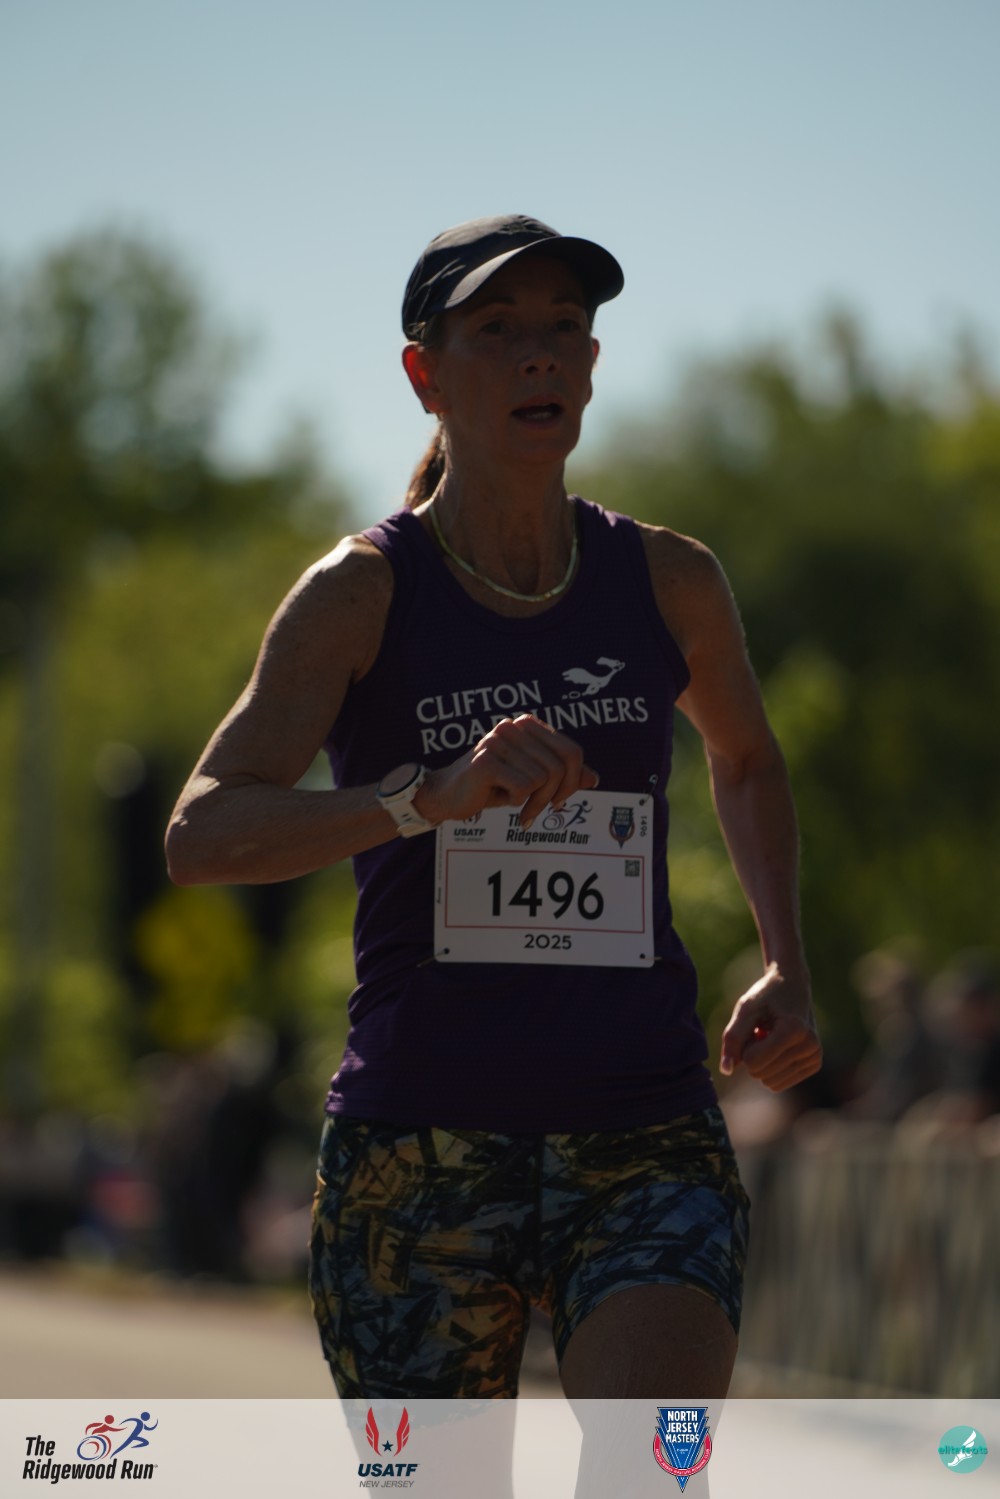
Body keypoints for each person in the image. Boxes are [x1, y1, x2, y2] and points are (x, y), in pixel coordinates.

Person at [165, 214, 822, 1405]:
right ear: (423, 373)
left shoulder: (667, 578)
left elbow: (746, 760)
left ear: (592, 365)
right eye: (498, 330)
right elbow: (200, 834)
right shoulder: (362, 591)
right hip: (418, 1144)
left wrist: (784, 957)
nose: (539, 354)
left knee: (647, 1474)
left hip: (642, 1128)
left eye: (564, 328)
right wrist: (427, 796)